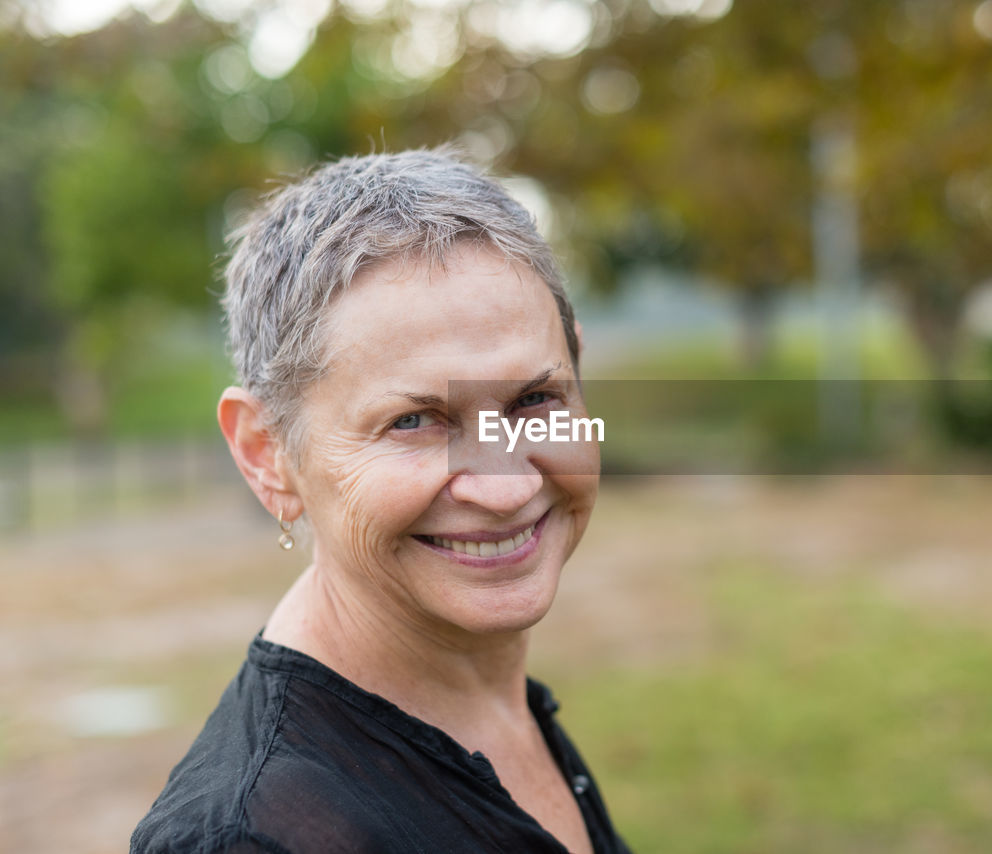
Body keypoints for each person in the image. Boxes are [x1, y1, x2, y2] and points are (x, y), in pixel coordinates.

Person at [131, 148, 629, 854]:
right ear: (266, 453)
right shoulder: (254, 838)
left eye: (535, 400)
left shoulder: (487, 704)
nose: (508, 484)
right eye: (414, 421)